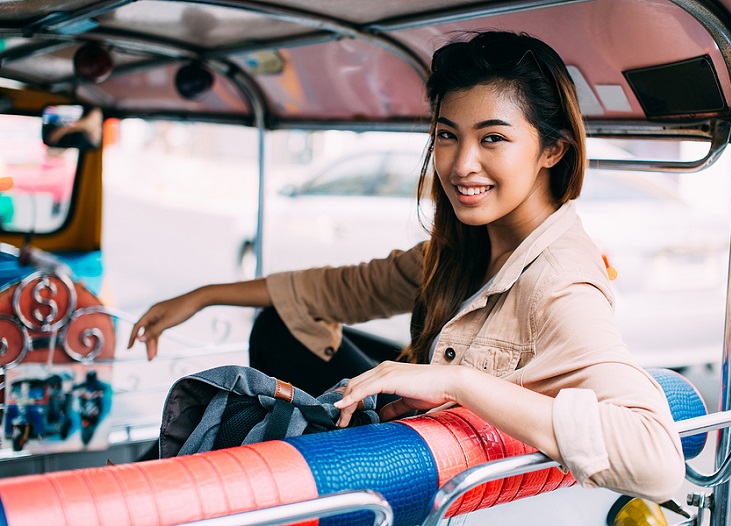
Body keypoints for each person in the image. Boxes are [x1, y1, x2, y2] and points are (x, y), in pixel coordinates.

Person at [129, 31, 685, 502]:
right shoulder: (464, 245)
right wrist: (203, 295)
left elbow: (656, 460)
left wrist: (456, 381)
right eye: (447, 136)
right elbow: (340, 288)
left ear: (552, 151)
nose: (463, 164)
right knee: (278, 329)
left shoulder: (559, 280)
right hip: (403, 443)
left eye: (493, 138)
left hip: (441, 487)